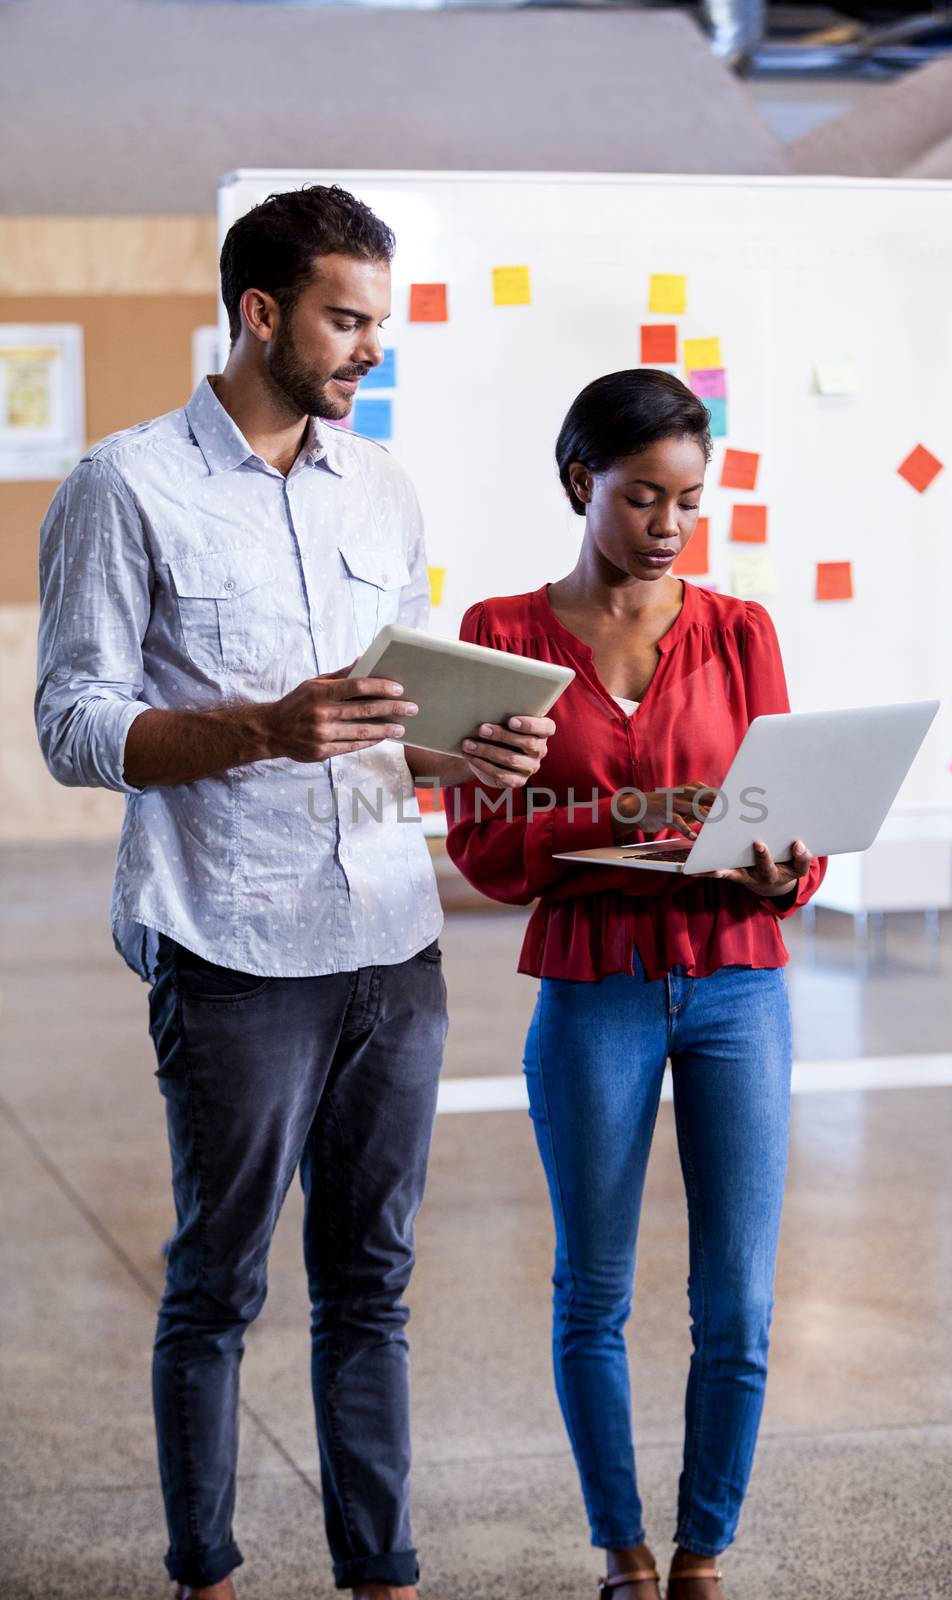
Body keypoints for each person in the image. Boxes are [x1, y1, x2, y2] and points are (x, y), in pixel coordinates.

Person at [34, 185, 555, 1600]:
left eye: (377, 320)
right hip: (233, 943)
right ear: (260, 311)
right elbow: (73, 726)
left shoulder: (380, 490)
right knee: (218, 1284)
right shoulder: (124, 485)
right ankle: (202, 1570)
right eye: (344, 317)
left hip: (392, 937)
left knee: (370, 1288)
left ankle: (378, 1572)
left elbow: (380, 729)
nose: (366, 348)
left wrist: (471, 756)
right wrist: (260, 726)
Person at [446, 369, 826, 1599]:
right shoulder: (502, 636)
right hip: (592, 986)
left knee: (738, 1301)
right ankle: (621, 1547)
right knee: (592, 1291)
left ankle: (703, 1553)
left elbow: (792, 830)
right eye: (641, 496)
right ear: (579, 484)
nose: (668, 525)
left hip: (736, 985)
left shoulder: (738, 631)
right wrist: (631, 815)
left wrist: (780, 868)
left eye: (687, 501)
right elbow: (489, 852)